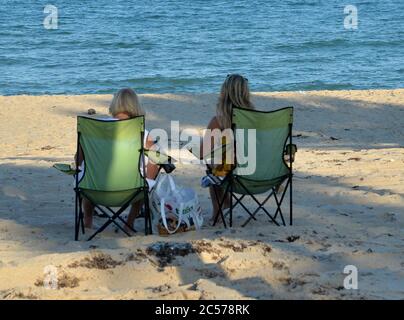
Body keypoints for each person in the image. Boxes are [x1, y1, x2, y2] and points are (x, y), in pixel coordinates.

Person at [76, 88, 159, 233]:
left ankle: (88, 221)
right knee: (143, 181)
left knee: (87, 173)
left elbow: (78, 161)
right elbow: (155, 161)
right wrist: (148, 182)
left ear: (114, 105)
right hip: (131, 191)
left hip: (94, 190)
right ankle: (129, 223)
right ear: (136, 106)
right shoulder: (143, 133)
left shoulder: (94, 131)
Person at [200, 74, 254, 224]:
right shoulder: (257, 118)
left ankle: (217, 212)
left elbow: (203, 152)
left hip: (234, 177)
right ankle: (227, 202)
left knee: (212, 166)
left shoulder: (218, 121)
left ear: (224, 93)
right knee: (224, 162)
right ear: (245, 93)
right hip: (260, 175)